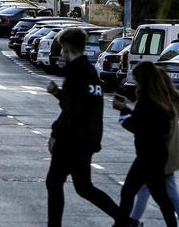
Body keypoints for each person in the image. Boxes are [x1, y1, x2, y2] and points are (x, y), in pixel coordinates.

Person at [44, 28, 120, 226]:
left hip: (72, 138)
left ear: (67, 48)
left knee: (54, 182)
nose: (61, 53)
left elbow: (71, 110)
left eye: (62, 49)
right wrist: (57, 94)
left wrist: (55, 134)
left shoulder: (75, 71)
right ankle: (125, 220)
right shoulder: (89, 70)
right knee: (84, 187)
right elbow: (78, 103)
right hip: (89, 137)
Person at [113, 62, 179, 227]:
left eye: (137, 80)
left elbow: (135, 125)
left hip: (147, 156)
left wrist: (122, 109)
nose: (136, 84)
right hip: (156, 154)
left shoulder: (146, 100)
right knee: (160, 196)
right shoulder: (159, 99)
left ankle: (121, 224)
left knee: (129, 192)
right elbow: (147, 123)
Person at [129, 64, 179, 227]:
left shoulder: (164, 106)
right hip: (163, 156)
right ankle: (134, 220)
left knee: (171, 195)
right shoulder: (169, 103)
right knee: (144, 190)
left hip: (163, 158)